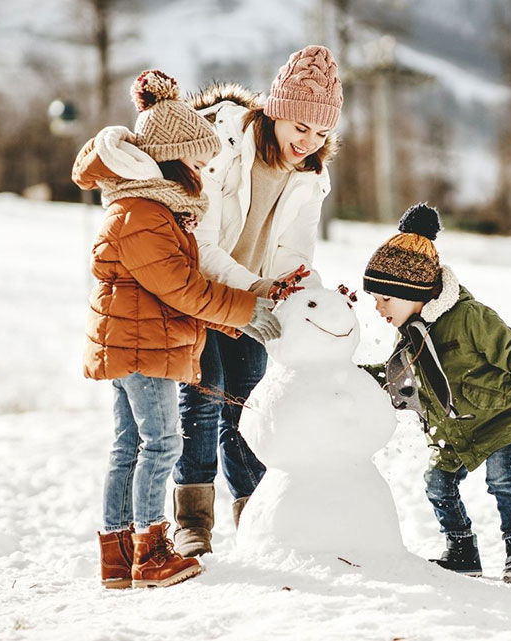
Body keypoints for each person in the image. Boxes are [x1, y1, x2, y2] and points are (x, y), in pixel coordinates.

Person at [72, 69, 282, 589]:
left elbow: (177, 291)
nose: (203, 172)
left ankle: (118, 560)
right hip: (142, 347)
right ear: (169, 157)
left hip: (137, 342)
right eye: (196, 161)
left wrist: (227, 320)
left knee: (129, 446)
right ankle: (151, 550)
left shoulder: (151, 209)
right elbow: (182, 287)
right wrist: (244, 309)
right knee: (161, 443)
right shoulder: (142, 212)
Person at [172, 45, 343, 557]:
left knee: (247, 404)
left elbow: (296, 251)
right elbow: (200, 241)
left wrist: (309, 297)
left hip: (254, 300)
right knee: (204, 396)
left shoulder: (311, 175)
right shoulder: (223, 144)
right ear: (276, 112)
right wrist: (252, 288)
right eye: (300, 127)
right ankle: (193, 521)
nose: (308, 142)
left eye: (320, 133)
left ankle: (256, 512)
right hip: (201, 289)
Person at [361, 203, 511, 584]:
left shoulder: (470, 317)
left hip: (499, 418)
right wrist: (349, 379)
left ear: (413, 291)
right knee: (437, 483)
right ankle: (462, 551)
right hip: (455, 430)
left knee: (502, 481)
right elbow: (397, 377)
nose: (379, 307)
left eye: (386, 298)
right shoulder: (411, 332)